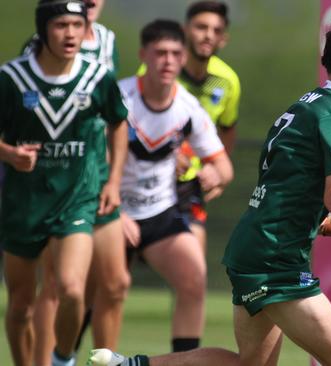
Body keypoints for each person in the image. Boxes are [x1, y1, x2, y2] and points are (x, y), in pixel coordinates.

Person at [88, 17, 331, 366]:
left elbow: (292, 201)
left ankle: (131, 365)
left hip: (254, 248)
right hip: (275, 260)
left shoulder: (305, 107)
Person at [0, 1, 128, 365]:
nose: (70, 33)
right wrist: (9, 154)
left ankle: (62, 359)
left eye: (76, 24)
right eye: (60, 25)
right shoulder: (12, 79)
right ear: (43, 29)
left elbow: (119, 122)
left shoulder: (97, 76)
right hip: (23, 204)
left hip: (76, 200)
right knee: (21, 305)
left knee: (72, 289)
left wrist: (114, 180)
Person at [118, 19, 233, 353]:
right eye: (160, 53)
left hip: (159, 211)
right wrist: (113, 211)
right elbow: (89, 163)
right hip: (111, 210)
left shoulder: (188, 107)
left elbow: (222, 164)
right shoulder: (119, 98)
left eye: (174, 53)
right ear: (144, 55)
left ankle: (182, 362)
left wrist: (217, 173)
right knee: (109, 287)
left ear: (183, 58)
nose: (167, 60)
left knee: (194, 278)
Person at [176, 0, 241, 255]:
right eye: (201, 27)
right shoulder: (161, 67)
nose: (208, 35)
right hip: (146, 179)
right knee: (114, 279)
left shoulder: (228, 81)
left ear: (223, 38)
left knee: (193, 268)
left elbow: (227, 129)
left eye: (216, 30)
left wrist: (217, 169)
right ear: (185, 30)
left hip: (190, 185)